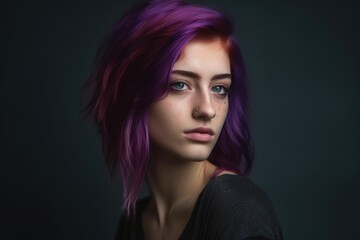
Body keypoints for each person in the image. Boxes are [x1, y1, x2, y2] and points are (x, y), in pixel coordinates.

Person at [84, 0, 283, 239]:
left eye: (219, 88)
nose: (207, 109)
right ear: (133, 94)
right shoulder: (134, 220)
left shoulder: (236, 207)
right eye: (180, 84)